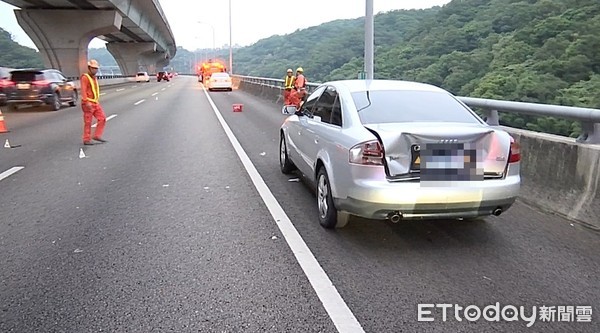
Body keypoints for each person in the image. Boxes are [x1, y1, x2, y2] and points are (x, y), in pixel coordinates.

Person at [80, 59, 107, 145]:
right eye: (93, 68)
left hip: (95, 102)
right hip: (88, 103)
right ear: (89, 68)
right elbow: (83, 90)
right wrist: (86, 101)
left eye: (96, 69)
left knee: (102, 118)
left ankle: (97, 135)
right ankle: (86, 139)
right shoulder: (85, 77)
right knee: (88, 122)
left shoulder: (94, 78)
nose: (95, 70)